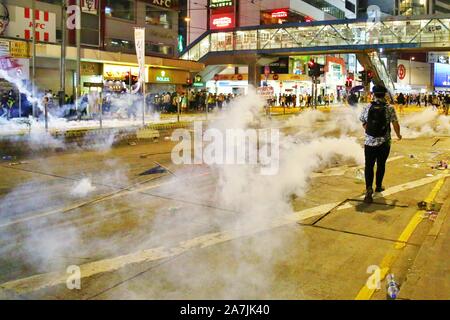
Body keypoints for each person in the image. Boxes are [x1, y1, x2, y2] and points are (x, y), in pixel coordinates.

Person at [360, 85, 402, 204]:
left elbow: (363, 122)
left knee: (369, 165)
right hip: (384, 142)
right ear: (385, 94)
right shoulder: (389, 108)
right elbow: (395, 124)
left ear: (373, 94)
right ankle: (378, 186)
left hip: (369, 142)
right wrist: (398, 135)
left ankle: (369, 189)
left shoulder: (367, 107)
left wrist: (370, 132)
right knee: (381, 164)